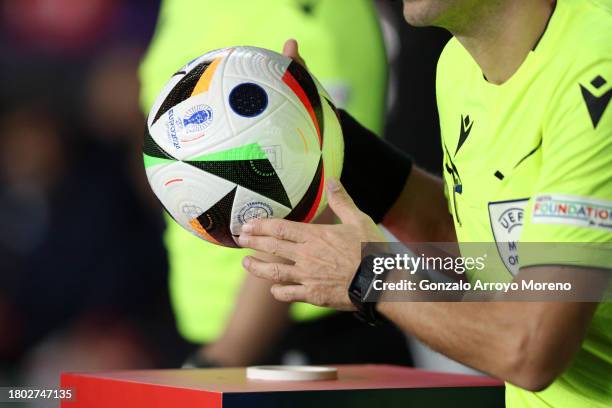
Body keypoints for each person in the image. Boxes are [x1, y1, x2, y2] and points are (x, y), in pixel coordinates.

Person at [238, 1, 612, 407]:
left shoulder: (597, 64)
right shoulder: (457, 66)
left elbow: (529, 348)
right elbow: (477, 253)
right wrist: (333, 140)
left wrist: (373, 277)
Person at [140, 0, 412, 367]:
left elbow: (313, 193)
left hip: (301, 334)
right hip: (199, 330)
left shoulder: (316, 16)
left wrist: (223, 358)